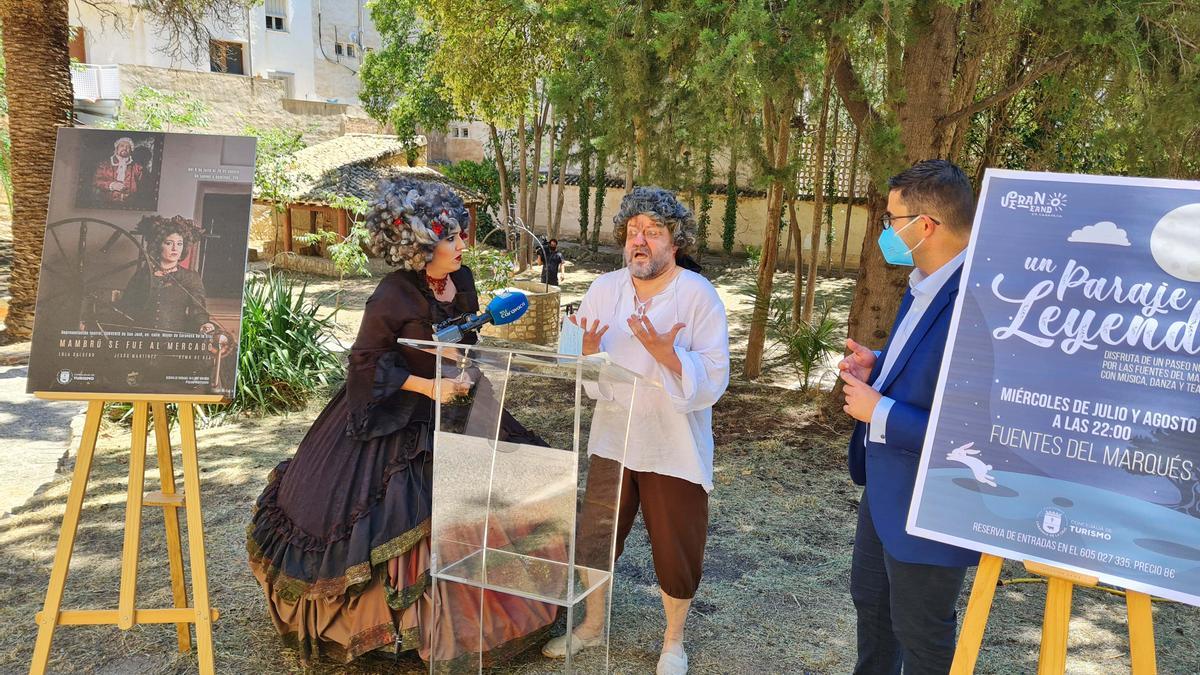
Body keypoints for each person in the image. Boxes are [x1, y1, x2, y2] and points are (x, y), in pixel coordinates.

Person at [247, 178, 558, 666]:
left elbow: (463, 344)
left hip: (455, 404)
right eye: (451, 237)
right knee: (403, 508)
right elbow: (365, 364)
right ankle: (407, 630)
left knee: (503, 489)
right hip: (393, 415)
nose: (462, 245)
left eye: (461, 233)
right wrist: (429, 386)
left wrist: (459, 366)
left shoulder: (466, 281)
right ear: (419, 243)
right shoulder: (392, 294)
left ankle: (492, 608)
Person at [542, 186, 730, 675]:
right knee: (597, 537)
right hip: (613, 439)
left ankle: (673, 642)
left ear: (675, 240)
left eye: (653, 231)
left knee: (676, 547)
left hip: (674, 446)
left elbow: (715, 375)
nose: (640, 241)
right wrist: (579, 351)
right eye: (632, 232)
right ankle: (591, 625)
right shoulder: (604, 289)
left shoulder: (697, 295)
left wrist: (672, 357)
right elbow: (573, 358)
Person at [839, 159, 980, 674]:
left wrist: (882, 409)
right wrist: (879, 368)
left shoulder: (980, 301)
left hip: (935, 502)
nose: (885, 231)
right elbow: (929, 374)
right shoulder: (925, 281)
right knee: (872, 612)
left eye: (892, 219)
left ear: (926, 226)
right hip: (885, 488)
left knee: (921, 635)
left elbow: (976, 433)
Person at [116, 214, 213, 334]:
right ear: (158, 246)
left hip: (174, 341)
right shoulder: (143, 275)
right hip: (141, 340)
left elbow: (198, 310)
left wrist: (204, 323)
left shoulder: (190, 277)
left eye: (179, 244)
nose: (175, 249)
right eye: (169, 243)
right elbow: (126, 307)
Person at [92, 136, 143, 204]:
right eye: (122, 146)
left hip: (130, 204)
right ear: (117, 148)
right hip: (106, 203)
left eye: (128, 147)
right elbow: (96, 181)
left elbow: (142, 186)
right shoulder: (104, 165)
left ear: (131, 150)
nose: (125, 148)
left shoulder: (137, 167)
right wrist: (112, 185)